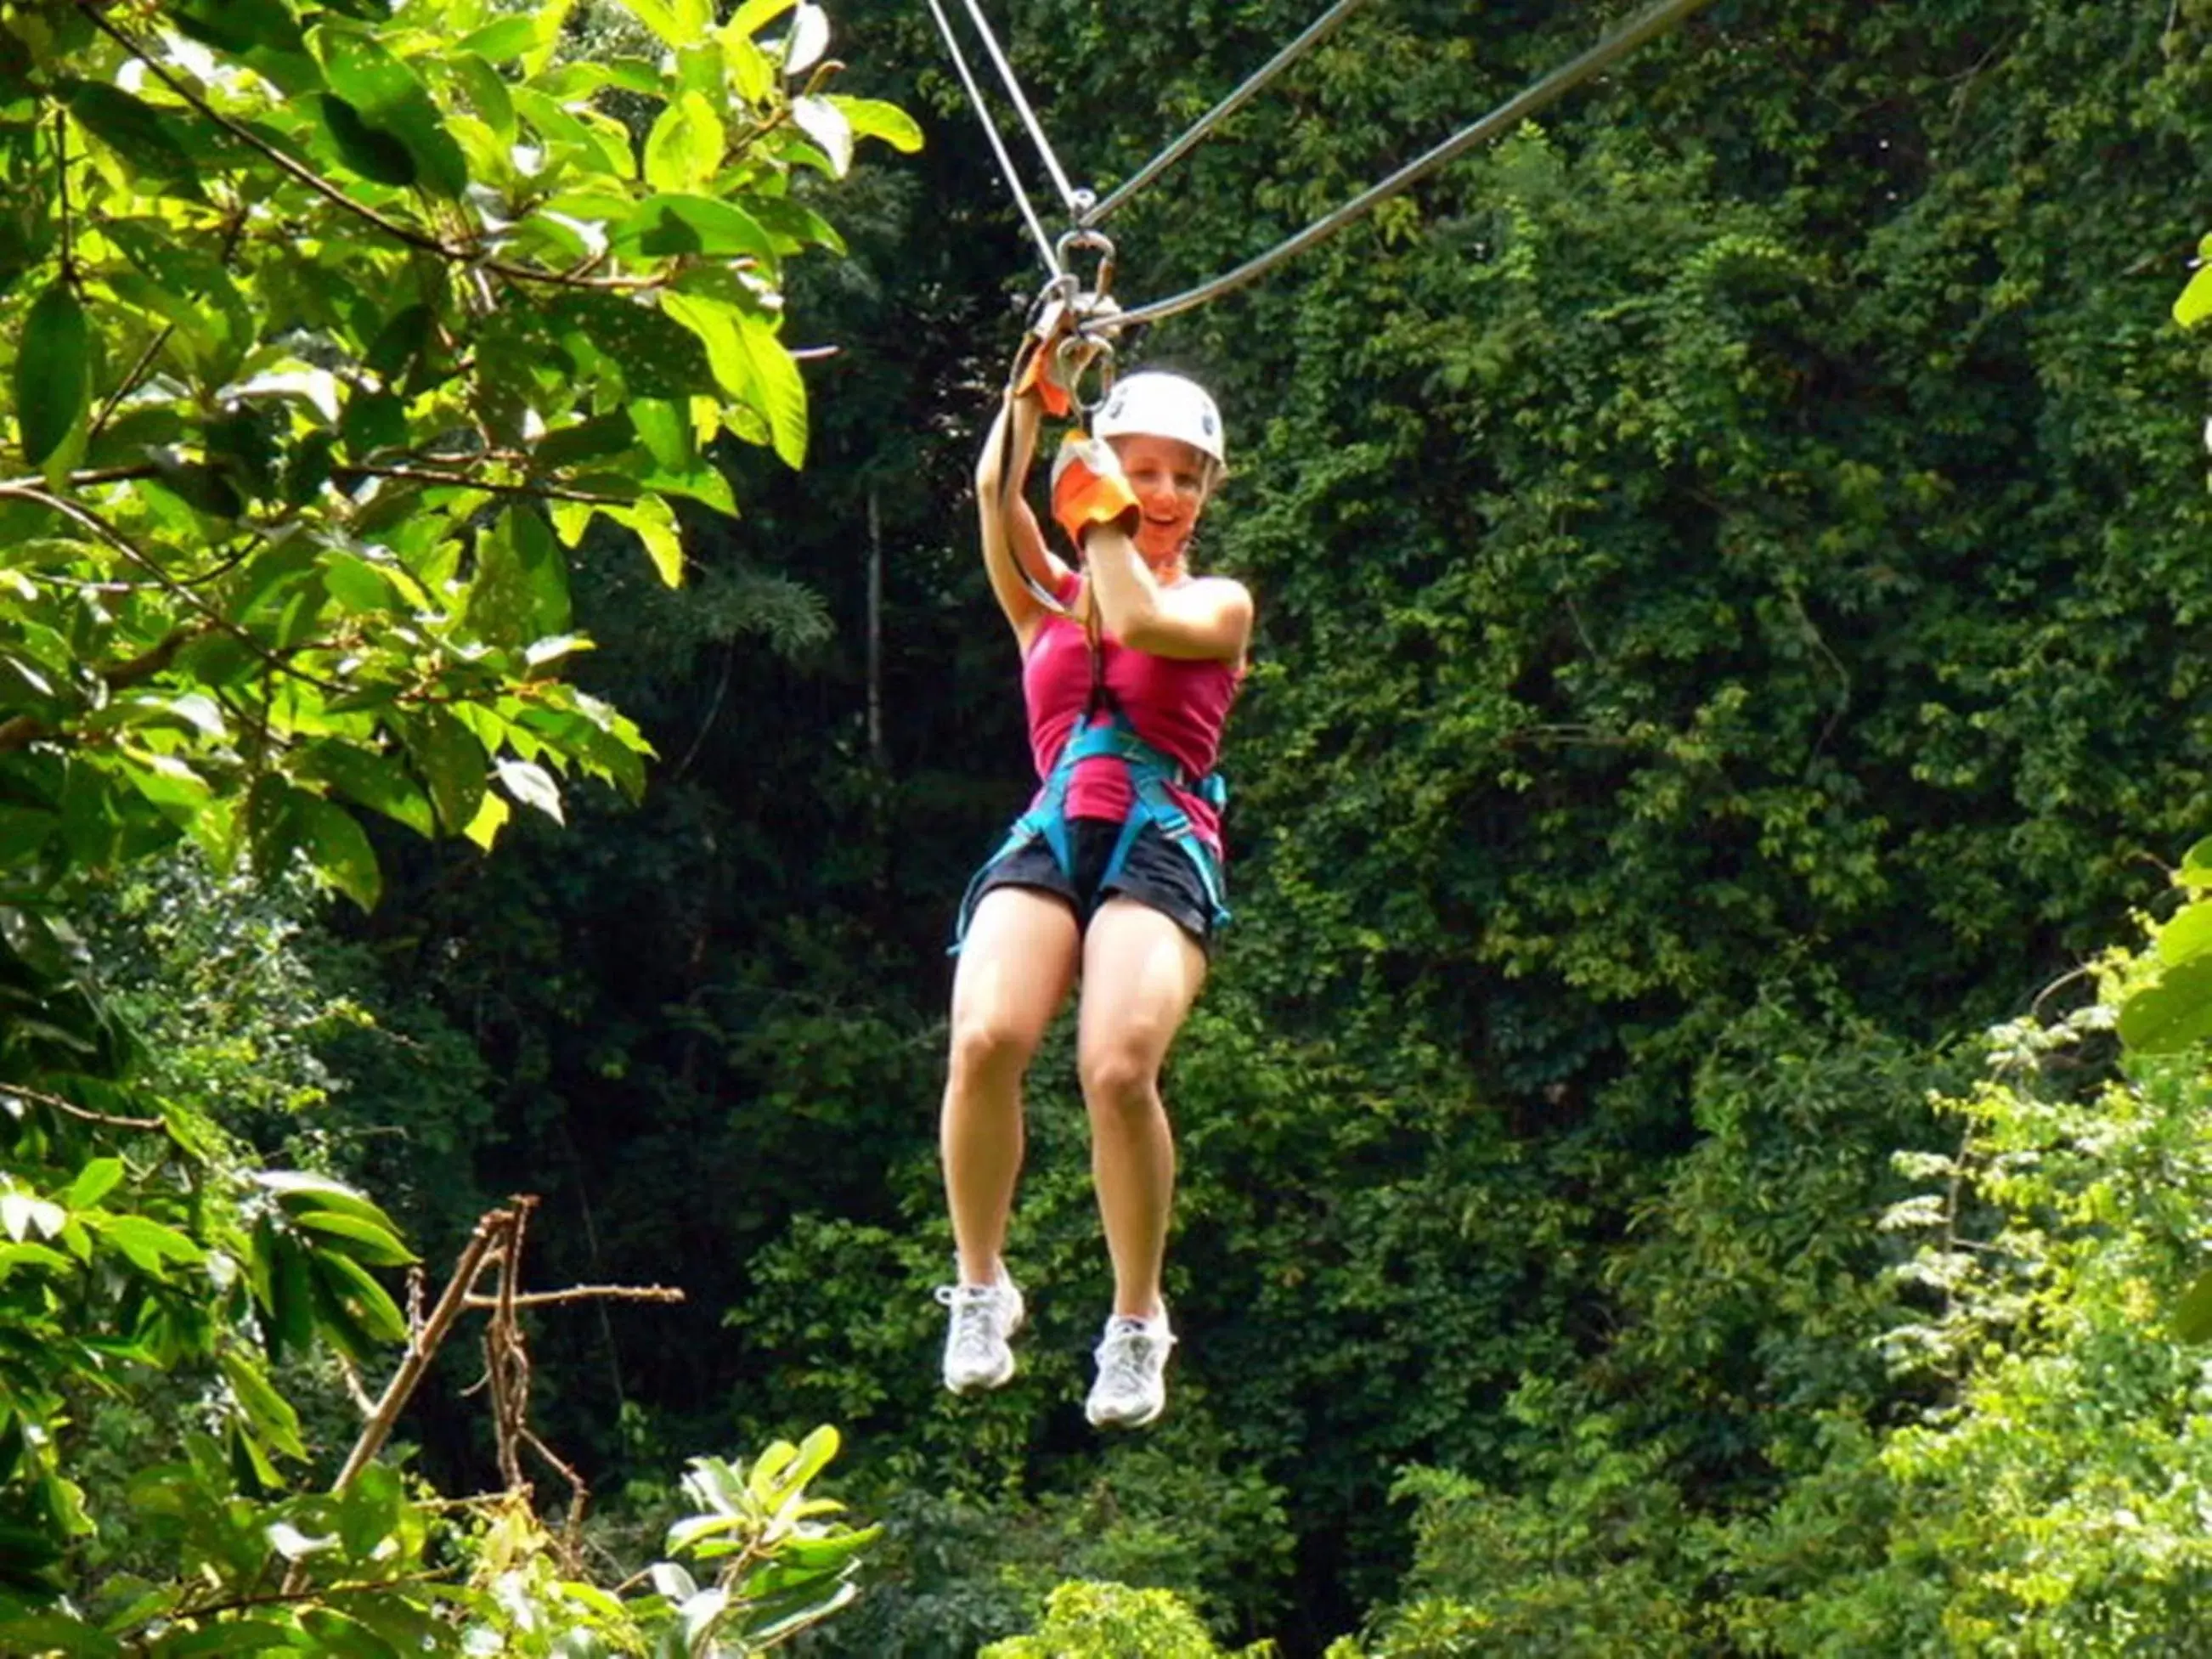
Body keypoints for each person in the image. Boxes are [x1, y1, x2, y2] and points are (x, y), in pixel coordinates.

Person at [934, 346, 1252, 1430]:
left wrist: (1100, 509)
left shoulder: (1218, 604)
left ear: (1205, 493)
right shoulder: (1047, 603)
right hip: (1054, 827)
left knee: (1116, 1069)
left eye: (1183, 477)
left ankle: (1135, 1321)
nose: (1160, 495)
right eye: (1142, 470)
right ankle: (981, 1287)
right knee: (983, 1041)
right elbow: (993, 489)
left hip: (1162, 838)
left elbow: (1143, 623)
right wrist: (1035, 387)